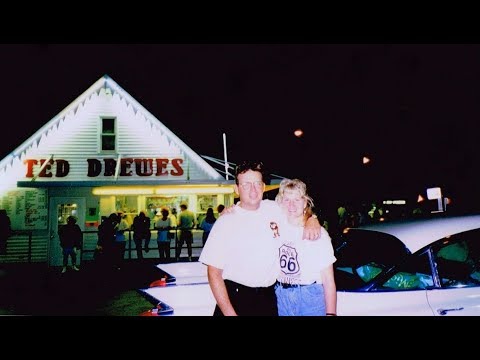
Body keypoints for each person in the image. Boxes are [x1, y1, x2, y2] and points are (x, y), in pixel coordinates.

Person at [199, 160, 321, 316]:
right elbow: (213, 273)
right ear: (236, 189)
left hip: (267, 299)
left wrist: (312, 219)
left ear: (264, 186)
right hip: (236, 298)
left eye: (257, 184)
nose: (253, 190)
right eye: (246, 185)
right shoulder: (225, 222)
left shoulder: (275, 209)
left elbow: (299, 209)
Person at [274, 178, 337, 316]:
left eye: (297, 199)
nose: (291, 205)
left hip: (309, 297)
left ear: (305, 203)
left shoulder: (318, 234)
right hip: (282, 296)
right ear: (280, 202)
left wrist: (331, 314)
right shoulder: (275, 227)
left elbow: (328, 279)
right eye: (287, 199)